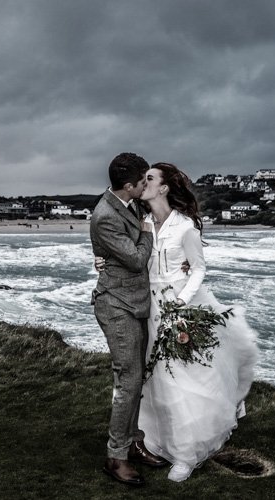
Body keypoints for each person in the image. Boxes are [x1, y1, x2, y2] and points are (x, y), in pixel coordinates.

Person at [98, 162, 258, 482]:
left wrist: (181, 302)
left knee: (182, 376)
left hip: (179, 303)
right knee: (152, 376)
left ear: (163, 188)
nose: (144, 182)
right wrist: (103, 259)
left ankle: (186, 454)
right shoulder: (138, 221)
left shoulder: (185, 226)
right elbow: (128, 257)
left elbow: (198, 268)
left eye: (151, 178)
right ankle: (150, 441)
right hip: (146, 305)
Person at [89, 153, 170, 487]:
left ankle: (134, 441)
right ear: (128, 185)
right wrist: (148, 233)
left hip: (136, 302)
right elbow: (137, 260)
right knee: (128, 382)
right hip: (116, 305)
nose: (145, 185)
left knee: (136, 379)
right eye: (142, 181)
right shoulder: (105, 215)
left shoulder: (128, 203)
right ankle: (116, 457)